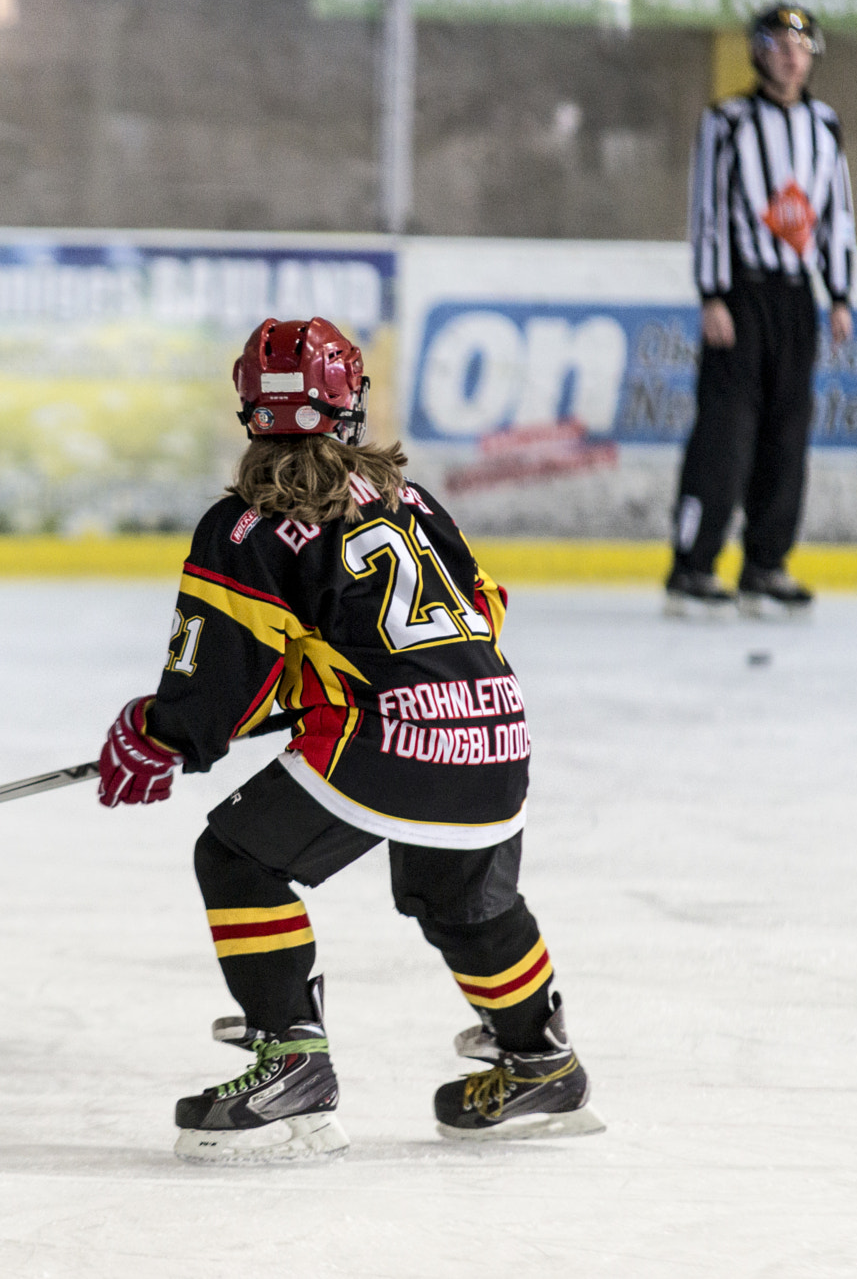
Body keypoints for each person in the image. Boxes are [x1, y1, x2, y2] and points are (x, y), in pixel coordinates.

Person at [96, 316, 604, 1164]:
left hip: (389, 739)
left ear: (251, 411)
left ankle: (290, 1059)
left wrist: (161, 733)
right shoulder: (416, 500)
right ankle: (538, 1058)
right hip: (495, 723)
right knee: (462, 899)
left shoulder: (247, 525)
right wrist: (322, 685)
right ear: (351, 404)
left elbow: (221, 679)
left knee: (238, 859)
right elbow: (479, 612)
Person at [668, 3, 855, 617]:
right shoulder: (728, 121)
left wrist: (840, 294)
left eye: (800, 46)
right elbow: (708, 213)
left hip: (797, 299)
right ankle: (693, 565)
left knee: (787, 434)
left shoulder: (825, 125)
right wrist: (712, 294)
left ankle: (765, 564)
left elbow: (837, 215)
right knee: (725, 434)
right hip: (741, 296)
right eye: (777, 45)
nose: (790, 56)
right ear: (757, 53)